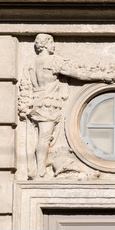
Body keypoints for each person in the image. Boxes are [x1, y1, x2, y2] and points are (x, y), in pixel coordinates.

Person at [18, 33, 69, 179]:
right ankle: (40, 170)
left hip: (36, 102)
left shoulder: (31, 63)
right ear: (46, 44)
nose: (54, 46)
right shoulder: (53, 61)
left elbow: (25, 85)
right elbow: (75, 73)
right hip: (49, 103)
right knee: (44, 138)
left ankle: (36, 167)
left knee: (39, 137)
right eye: (52, 43)